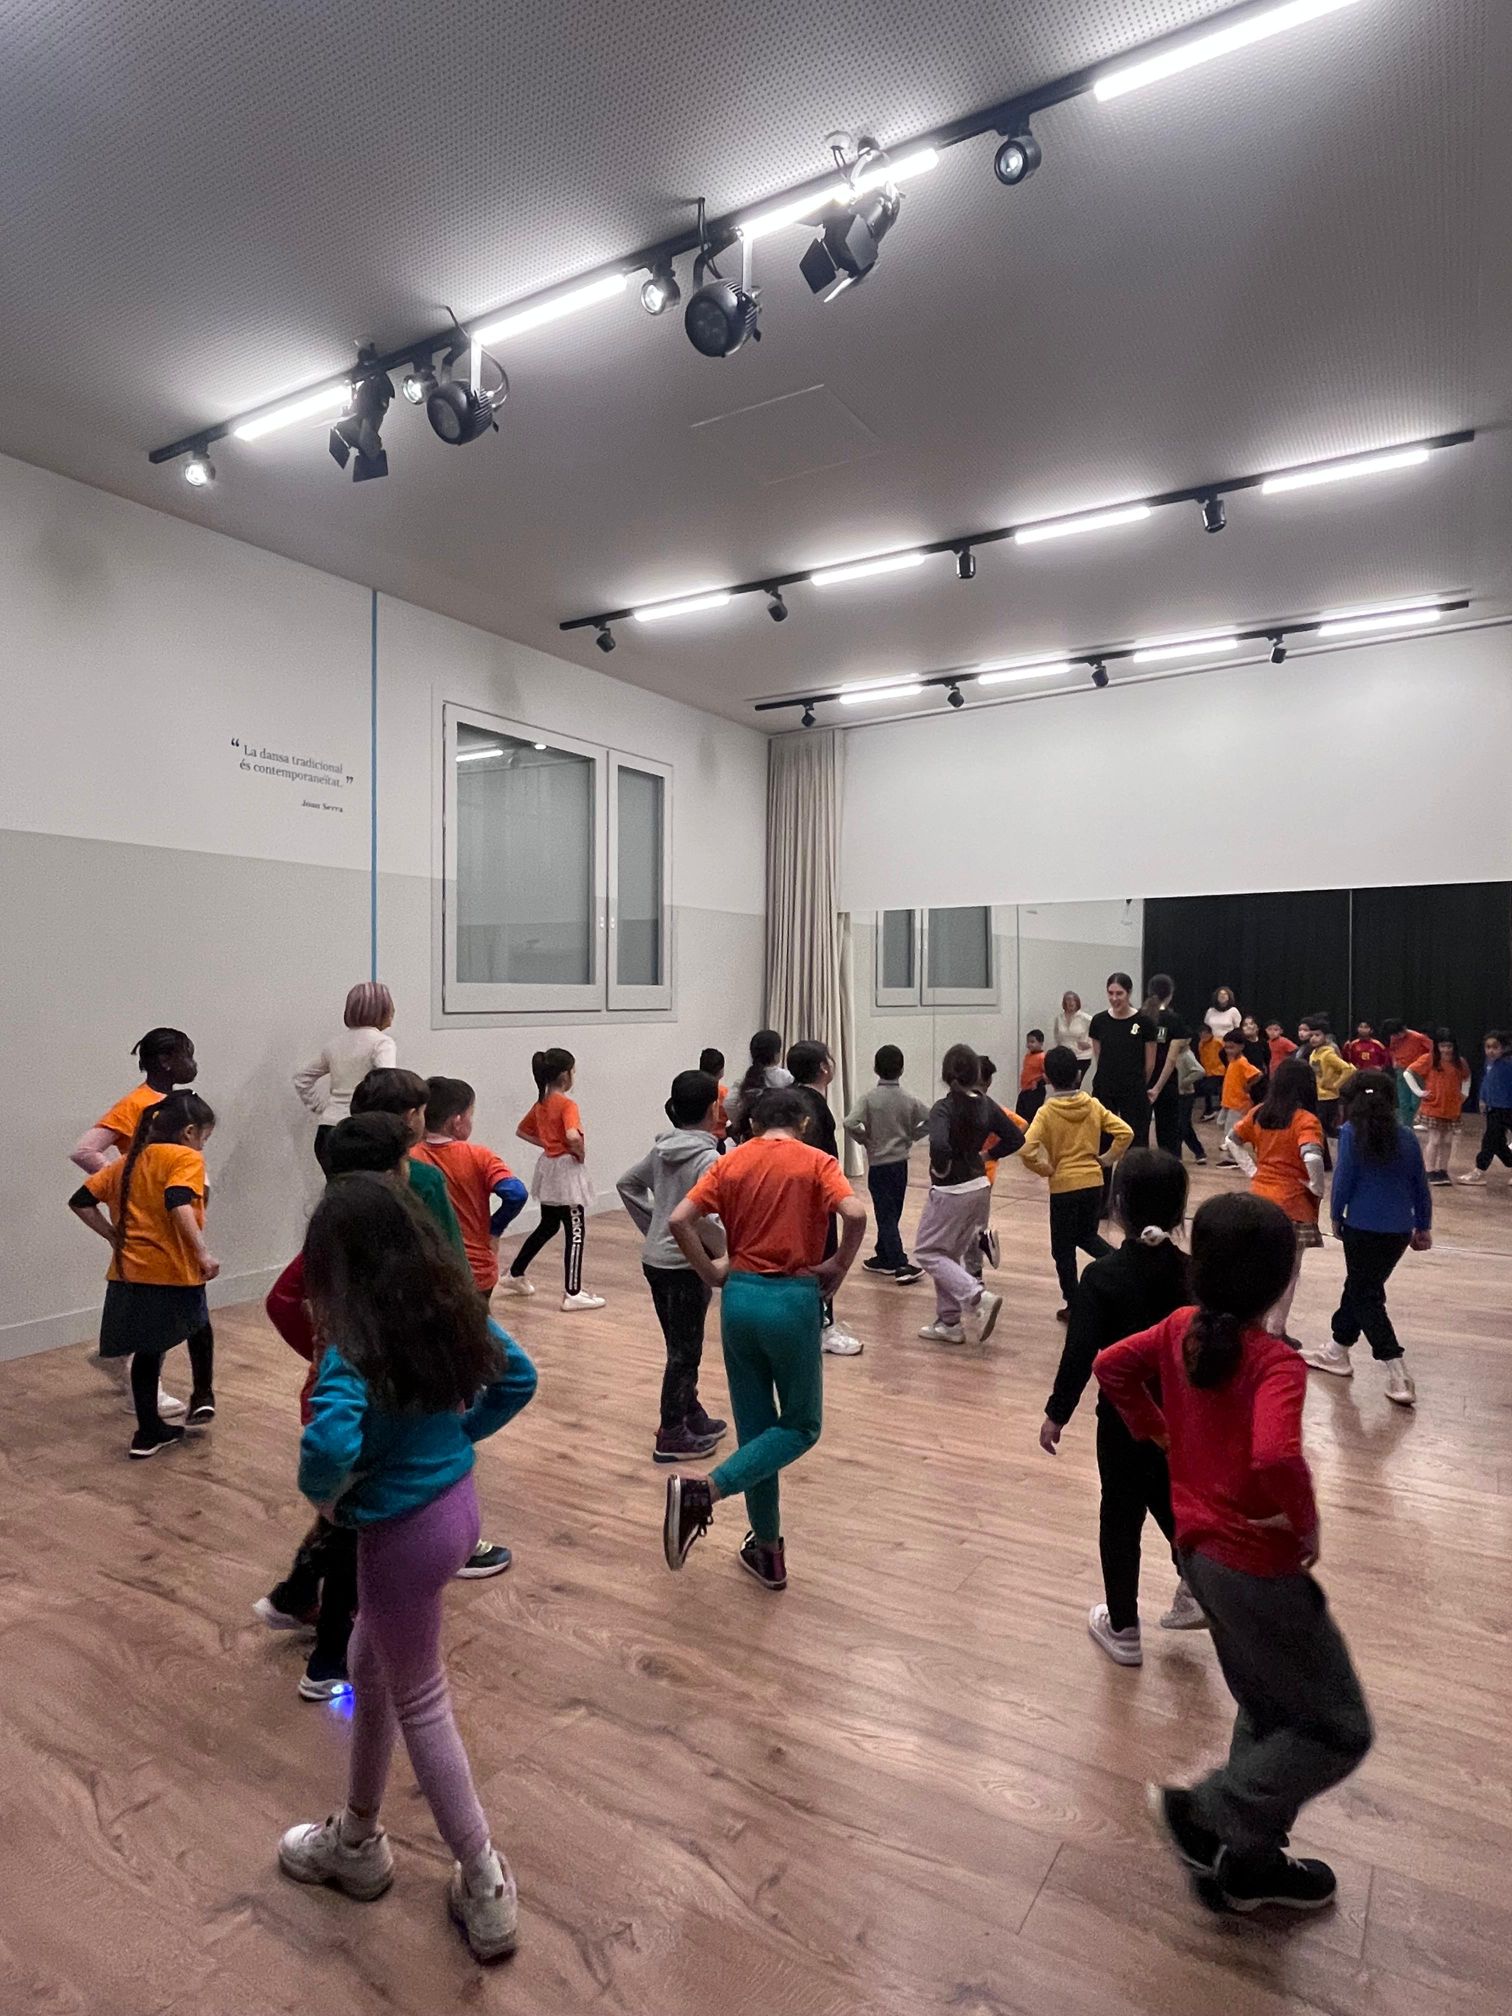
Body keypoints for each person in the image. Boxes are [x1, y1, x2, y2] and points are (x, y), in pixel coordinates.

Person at [1098, 1193, 1372, 1916]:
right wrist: (1306, 1524)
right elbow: (1276, 1454)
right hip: (1257, 1568)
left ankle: (1248, 1864)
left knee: (1271, 1707)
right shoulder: (1275, 1363)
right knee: (1340, 1728)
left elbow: (1109, 1366)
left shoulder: (1177, 1330)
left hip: (1200, 1561)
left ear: (1199, 1266)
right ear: (1282, 1280)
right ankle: (1206, 1813)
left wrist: (1155, 1429)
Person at [276, 1176, 522, 1963]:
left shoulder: (352, 1345)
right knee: (367, 1662)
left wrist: (329, 1498)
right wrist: (456, 1443)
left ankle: (483, 1878)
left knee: (420, 1697)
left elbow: (327, 1447)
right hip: (458, 1513)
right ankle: (355, 1836)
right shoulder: (450, 1308)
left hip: (400, 1539)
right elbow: (519, 1377)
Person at [259, 1115, 538, 1696]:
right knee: (353, 1544)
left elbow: (283, 1302)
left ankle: (305, 1608)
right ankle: (328, 1655)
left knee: (347, 1532)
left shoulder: (339, 1240)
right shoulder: (390, 1253)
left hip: (381, 1425)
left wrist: (325, 1364)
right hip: (397, 1441)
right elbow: (515, 1374)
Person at [660, 1087, 865, 1590]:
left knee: (758, 1434)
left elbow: (679, 1219)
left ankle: (768, 1552)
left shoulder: (730, 1162)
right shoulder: (817, 1162)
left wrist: (710, 1271)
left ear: (751, 1125)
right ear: (804, 1123)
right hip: (792, 1303)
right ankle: (706, 1491)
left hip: (739, 1301)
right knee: (801, 1426)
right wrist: (839, 1264)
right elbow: (856, 1214)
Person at [1039, 1150, 1206, 1661]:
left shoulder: (1102, 1277)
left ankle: (1124, 1627)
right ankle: (1200, 1581)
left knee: (1119, 1517)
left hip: (1122, 1422)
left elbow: (1080, 1354)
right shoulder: (1195, 1274)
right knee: (1171, 1500)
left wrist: (1057, 1413)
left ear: (1117, 1206)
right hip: (1182, 1421)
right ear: (1179, 1211)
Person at [347, 1070, 515, 1580]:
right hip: (424, 1324)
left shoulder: (343, 1177)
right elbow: (449, 1256)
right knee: (441, 1431)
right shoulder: (418, 1177)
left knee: (378, 1435)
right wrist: (468, 1325)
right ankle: (456, 1543)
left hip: (363, 1331)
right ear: (409, 1118)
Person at [68, 1090, 219, 1458]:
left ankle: (148, 1432)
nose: (203, 1145)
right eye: (204, 1137)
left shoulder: (127, 1162)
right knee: (198, 1326)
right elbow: (178, 1200)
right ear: (189, 1132)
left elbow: (81, 1202)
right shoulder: (186, 1158)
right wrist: (202, 1251)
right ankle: (202, 1394)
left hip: (129, 1273)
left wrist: (112, 1235)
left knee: (148, 1352)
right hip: (173, 1270)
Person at [70, 1026, 199, 1417]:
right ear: (166, 1060)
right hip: (147, 1219)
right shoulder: (136, 1104)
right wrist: (125, 1180)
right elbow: (85, 1150)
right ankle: (144, 1390)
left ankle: (119, 1360)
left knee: (152, 1298)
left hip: (168, 1213)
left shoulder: (176, 1103)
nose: (193, 1063)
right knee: (153, 1302)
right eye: (187, 1054)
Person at [616, 1069, 730, 1463]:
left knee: (679, 1346)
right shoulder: (709, 1159)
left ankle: (690, 1413)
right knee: (685, 1352)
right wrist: (723, 1251)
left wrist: (655, 1226)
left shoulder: (662, 1149)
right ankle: (672, 1433)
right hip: (685, 1266)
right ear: (714, 1109)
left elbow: (626, 1184)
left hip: (656, 1261)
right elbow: (707, 1218)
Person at [1301, 1071, 1427, 1405]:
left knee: (1365, 1295)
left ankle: (1397, 1368)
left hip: (1361, 1226)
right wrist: (1423, 1224)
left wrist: (1334, 1215)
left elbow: (1344, 1179)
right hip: (1399, 1230)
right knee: (1362, 1287)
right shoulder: (1407, 1136)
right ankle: (1336, 1351)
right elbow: (1419, 1185)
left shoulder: (1350, 1133)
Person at [914, 1045, 1024, 1346]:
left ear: (946, 1074)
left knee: (927, 1252)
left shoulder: (944, 1107)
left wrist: (941, 1169)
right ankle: (948, 1322)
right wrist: (987, 1155)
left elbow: (939, 1145)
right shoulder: (986, 1104)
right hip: (980, 1186)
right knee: (947, 1254)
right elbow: (1016, 1137)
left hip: (953, 1190)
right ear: (976, 1074)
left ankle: (976, 1296)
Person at [1019, 1046, 1133, 1319]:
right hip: (1093, 1183)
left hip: (1063, 1187)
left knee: (1063, 1250)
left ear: (1047, 1078)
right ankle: (1124, 1267)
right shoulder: (1092, 1104)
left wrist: (1046, 1169)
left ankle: (1074, 1303)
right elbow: (1125, 1132)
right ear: (1079, 1075)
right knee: (1087, 1236)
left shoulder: (1046, 1112)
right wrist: (1105, 1160)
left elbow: (1026, 1149)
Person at [1227, 1060, 1326, 1348]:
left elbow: (1231, 1140)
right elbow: (1312, 1156)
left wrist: (1252, 1171)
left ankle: (1251, 1325)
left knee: (1257, 1268)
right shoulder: (1305, 1120)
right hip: (1293, 1206)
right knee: (1289, 1272)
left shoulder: (1260, 1113)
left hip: (1258, 1201)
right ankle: (1275, 1330)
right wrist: (1317, 1187)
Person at [506, 1048, 604, 1312]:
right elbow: (572, 1135)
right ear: (565, 1076)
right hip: (565, 1172)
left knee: (548, 1225)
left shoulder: (541, 1103)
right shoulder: (567, 1105)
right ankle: (573, 1292)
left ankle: (515, 1273)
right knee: (576, 1230)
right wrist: (578, 1151)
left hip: (548, 1168)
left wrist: (549, 1144)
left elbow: (522, 1131)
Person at [411, 1078, 528, 1298]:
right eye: (470, 1114)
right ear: (457, 1121)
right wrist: (494, 1230)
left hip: (427, 1268)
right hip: (476, 1269)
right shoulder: (480, 1156)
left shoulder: (408, 1158)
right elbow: (516, 1194)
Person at [787, 1040, 862, 1356]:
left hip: (788, 1197)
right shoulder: (814, 1107)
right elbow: (819, 1159)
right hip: (813, 1199)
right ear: (823, 1068)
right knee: (823, 1259)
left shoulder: (789, 1099)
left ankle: (806, 1322)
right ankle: (822, 1327)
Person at [844, 1044, 929, 1284]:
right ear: (901, 1069)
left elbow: (850, 1122)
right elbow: (932, 1118)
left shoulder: (869, 1099)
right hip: (900, 1165)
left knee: (885, 1214)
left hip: (879, 1165)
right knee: (892, 1212)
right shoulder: (909, 1099)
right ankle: (888, 1257)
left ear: (875, 1068)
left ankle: (895, 1261)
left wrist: (865, 1140)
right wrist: (912, 1136)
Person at [293, 982, 397, 1173]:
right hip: (363, 1132)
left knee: (338, 1188)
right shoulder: (382, 1043)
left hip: (328, 1131)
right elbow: (388, 1082)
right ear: (382, 1010)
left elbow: (301, 1078)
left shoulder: (334, 1045)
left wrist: (321, 1107)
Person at [1089, 974, 1151, 1207]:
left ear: (1129, 993)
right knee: (1102, 1142)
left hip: (1133, 1090)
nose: (1115, 998)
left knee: (1136, 1143)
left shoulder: (1144, 1022)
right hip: (1105, 1089)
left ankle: (1134, 1200)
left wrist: (1137, 1084)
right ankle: (1102, 1200)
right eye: (1111, 993)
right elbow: (1100, 1056)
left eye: (1119, 993)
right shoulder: (1099, 1021)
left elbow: (1149, 1063)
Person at [1405, 1030, 1471, 1185]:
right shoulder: (1429, 1059)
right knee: (1434, 1140)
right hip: (1433, 1107)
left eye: (1449, 1046)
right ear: (1437, 1046)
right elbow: (1408, 1073)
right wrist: (1418, 1092)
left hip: (1451, 1108)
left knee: (1447, 1141)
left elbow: (1467, 1077)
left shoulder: (1459, 1062)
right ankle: (1430, 1171)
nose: (1446, 1050)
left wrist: (1464, 1094)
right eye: (1443, 1046)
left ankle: (1442, 1170)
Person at [1142, 975, 1192, 1160]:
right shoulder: (1174, 1020)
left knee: (1139, 1134)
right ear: (1170, 994)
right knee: (1168, 1133)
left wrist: (1145, 1083)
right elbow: (1170, 1060)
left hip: (1141, 1081)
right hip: (1165, 1083)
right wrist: (1157, 1088)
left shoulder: (1138, 1017)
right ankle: (1169, 1169)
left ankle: (1139, 1168)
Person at [1460, 1030, 1512, 1185]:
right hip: (1494, 1109)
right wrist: (1483, 1099)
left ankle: (1479, 1171)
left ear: (1504, 1048)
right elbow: (1486, 1082)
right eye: (1488, 1047)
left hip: (1508, 1108)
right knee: (1494, 1141)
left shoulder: (1509, 1064)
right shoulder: (1489, 1063)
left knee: (1491, 1140)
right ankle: (1480, 1170)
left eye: (1495, 1047)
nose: (1491, 1051)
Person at [726, 1029, 792, 1141]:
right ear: (777, 1054)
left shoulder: (745, 1078)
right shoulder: (786, 1078)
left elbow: (729, 1103)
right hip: (780, 1137)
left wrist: (740, 1124)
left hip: (750, 1137)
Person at [1297, 1015, 1354, 1145]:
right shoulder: (1313, 1053)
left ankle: (1343, 1143)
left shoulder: (1328, 1053)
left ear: (1325, 1037)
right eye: (1311, 1035)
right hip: (1317, 1095)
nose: (1313, 1038)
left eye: (1317, 1035)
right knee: (1320, 1127)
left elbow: (1349, 1069)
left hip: (1328, 1097)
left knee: (1325, 1127)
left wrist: (1336, 1085)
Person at [1217, 1029, 1262, 1161]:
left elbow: (1258, 1074)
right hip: (1228, 1101)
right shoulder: (1233, 1060)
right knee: (1221, 1123)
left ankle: (1232, 1158)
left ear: (1241, 1046)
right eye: (1226, 1047)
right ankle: (1234, 1147)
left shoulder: (1242, 1061)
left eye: (1232, 1047)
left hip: (1238, 1103)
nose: (1228, 1050)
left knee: (1231, 1130)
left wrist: (1248, 1086)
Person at [1381, 1018, 1433, 1130]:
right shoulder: (1394, 1038)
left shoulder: (1418, 1037)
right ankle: (1406, 1124)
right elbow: (1392, 1050)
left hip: (1416, 1071)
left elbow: (1433, 1050)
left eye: (1400, 1032)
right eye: (1395, 1034)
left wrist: (1424, 1063)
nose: (1399, 1036)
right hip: (1401, 1069)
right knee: (1403, 1099)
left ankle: (1418, 1119)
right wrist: (1394, 1061)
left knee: (1417, 1098)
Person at [1053, 991, 1094, 1083]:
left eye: (1074, 1000)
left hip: (1081, 1056)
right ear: (1064, 1002)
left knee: (1076, 1083)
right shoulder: (1059, 1018)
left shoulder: (1086, 1018)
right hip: (1064, 1057)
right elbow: (1056, 1036)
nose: (1071, 1002)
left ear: (1077, 1002)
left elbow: (1097, 1034)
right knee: (1064, 1083)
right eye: (1068, 1000)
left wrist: (1089, 1044)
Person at [699, 1047, 730, 1145]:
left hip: (697, 1137)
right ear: (721, 1071)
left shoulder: (694, 1089)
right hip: (717, 1140)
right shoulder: (723, 1093)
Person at [1017, 1030, 1048, 1123]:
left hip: (1035, 1091)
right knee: (1020, 1115)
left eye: (1032, 1041)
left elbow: (1048, 1075)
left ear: (1041, 1043)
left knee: (1031, 1117)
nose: (1029, 1044)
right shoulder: (1028, 1056)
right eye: (1028, 1042)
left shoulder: (1042, 1057)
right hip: (1025, 1090)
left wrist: (1039, 1082)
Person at [1196, 1028, 1226, 1120]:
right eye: (1201, 1035)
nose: (1203, 1036)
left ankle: (1212, 1110)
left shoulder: (1218, 1042)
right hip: (1208, 1071)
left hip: (1220, 1070)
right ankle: (1210, 1109)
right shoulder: (1201, 1044)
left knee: (1210, 1088)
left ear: (1210, 1033)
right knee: (1206, 1088)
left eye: (1205, 1034)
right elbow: (1202, 1058)